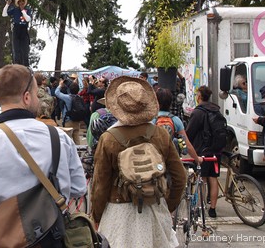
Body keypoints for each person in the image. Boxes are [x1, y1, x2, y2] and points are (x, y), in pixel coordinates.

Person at [0, 64, 86, 246]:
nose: (38, 100)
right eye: (37, 95)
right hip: (50, 237)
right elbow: (78, 188)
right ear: (27, 97)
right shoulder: (59, 137)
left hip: (1, 239)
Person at [91, 76, 186, 247]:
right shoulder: (160, 134)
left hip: (119, 214)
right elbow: (180, 177)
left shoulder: (108, 139)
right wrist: (167, 204)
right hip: (155, 210)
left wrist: (96, 216)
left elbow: (100, 185)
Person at [185, 85, 222, 218]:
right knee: (214, 178)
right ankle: (213, 209)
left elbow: (189, 133)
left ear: (199, 96)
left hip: (202, 150)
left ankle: (200, 208)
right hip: (216, 150)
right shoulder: (216, 110)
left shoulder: (198, 112)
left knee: (202, 179)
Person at [153, 87, 202, 162]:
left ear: (156, 102)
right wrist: (197, 159)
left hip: (154, 159)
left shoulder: (151, 120)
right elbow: (187, 144)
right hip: (171, 160)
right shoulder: (175, 120)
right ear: (170, 103)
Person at [2, 0, 32, 66]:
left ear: (24, 2)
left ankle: (26, 66)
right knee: (16, 49)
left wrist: (23, 11)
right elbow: (4, 14)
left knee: (25, 50)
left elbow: (28, 19)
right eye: (20, 2)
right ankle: (16, 65)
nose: (21, 3)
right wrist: (7, 4)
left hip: (24, 29)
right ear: (18, 3)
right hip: (16, 29)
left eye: (22, 1)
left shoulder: (28, 9)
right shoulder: (15, 10)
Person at [55, 80, 83, 144]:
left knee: (67, 140)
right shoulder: (79, 97)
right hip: (77, 121)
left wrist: (60, 85)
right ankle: (79, 152)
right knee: (77, 139)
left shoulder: (68, 97)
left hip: (68, 121)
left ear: (69, 89)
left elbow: (57, 93)